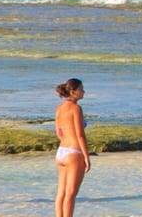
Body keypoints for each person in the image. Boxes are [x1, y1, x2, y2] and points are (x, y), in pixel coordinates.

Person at [54, 78, 90, 217]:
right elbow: (80, 135)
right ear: (73, 92)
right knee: (70, 194)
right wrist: (86, 157)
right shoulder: (76, 108)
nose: (84, 92)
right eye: (81, 89)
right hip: (74, 152)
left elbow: (59, 133)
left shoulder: (59, 108)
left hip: (61, 152)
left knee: (61, 193)